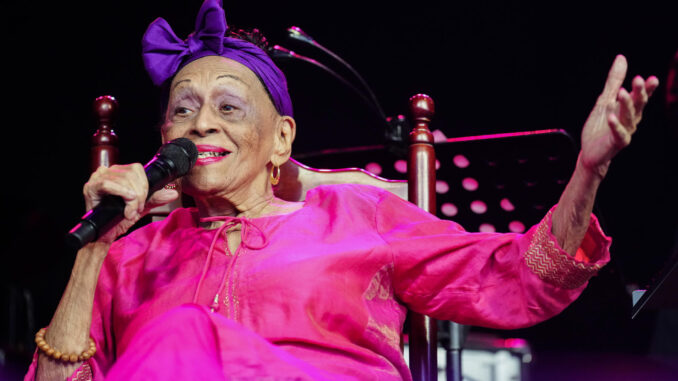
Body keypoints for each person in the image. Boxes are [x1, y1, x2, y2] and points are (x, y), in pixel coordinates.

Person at [25, 0, 659, 380]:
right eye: (183, 110)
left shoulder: (354, 215)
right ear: (163, 134)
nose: (203, 124)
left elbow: (519, 278)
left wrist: (589, 171)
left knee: (180, 333)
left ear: (281, 141)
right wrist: (94, 250)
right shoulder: (130, 256)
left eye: (228, 107)